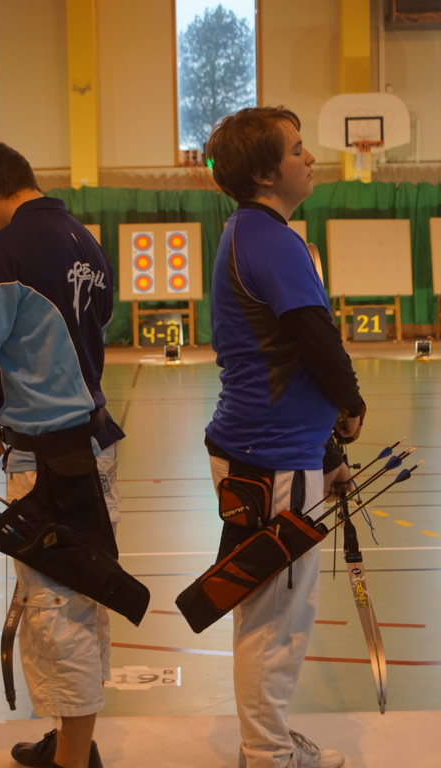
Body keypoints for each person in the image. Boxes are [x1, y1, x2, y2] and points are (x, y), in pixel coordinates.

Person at [0, 142, 123, 768]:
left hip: (50, 464)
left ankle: (73, 760)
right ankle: (74, 741)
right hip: (92, 448)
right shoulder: (85, 240)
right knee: (81, 598)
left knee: (56, 612)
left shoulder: (6, 250)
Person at [204, 107, 364, 768]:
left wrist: (326, 452)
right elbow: (313, 338)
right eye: (297, 149)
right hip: (270, 458)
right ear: (266, 173)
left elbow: (290, 354)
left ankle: (264, 743)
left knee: (268, 608)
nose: (310, 157)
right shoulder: (270, 238)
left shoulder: (251, 233)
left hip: (271, 451)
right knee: (277, 619)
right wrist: (351, 404)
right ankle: (268, 754)